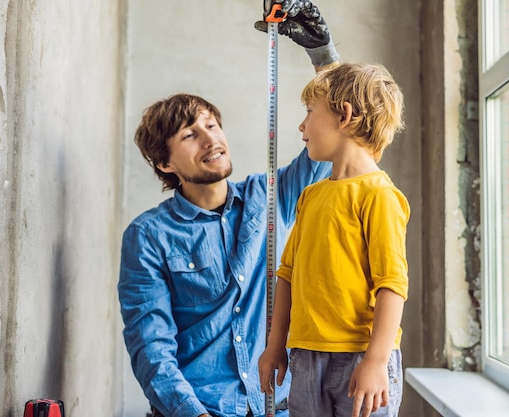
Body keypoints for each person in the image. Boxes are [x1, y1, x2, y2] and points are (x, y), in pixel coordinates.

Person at [117, 2, 338, 416]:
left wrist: (322, 54)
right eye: (190, 134)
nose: (210, 139)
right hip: (200, 409)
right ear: (164, 163)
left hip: (280, 404)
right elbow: (151, 346)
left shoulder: (267, 196)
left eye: (212, 125)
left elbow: (332, 146)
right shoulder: (148, 236)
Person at [258, 63, 410, 417]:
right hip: (305, 357)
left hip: (360, 356)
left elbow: (392, 285)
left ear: (344, 116)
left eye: (310, 112)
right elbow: (287, 274)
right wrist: (275, 344)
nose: (302, 125)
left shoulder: (379, 196)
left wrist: (375, 361)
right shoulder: (310, 196)